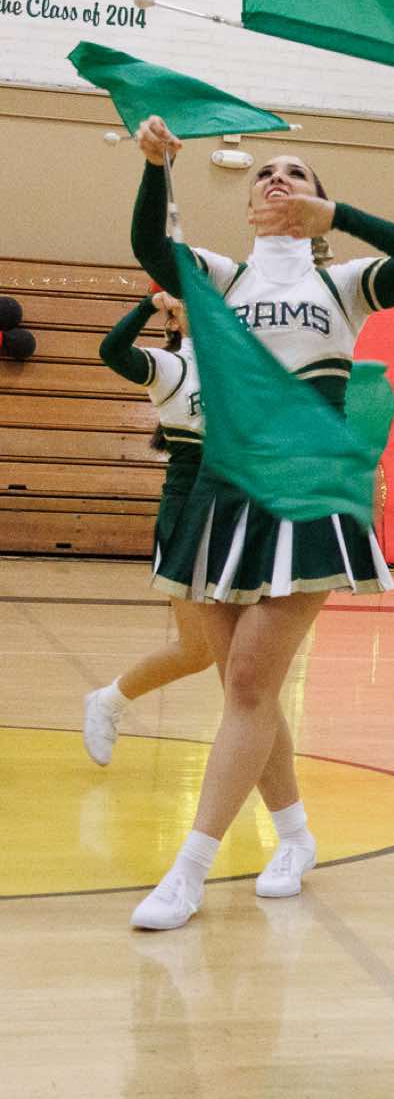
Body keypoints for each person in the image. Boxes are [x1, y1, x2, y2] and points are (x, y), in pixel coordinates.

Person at [125, 116, 394, 930]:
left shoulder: (343, 286)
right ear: (248, 206)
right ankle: (296, 836)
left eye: (296, 172)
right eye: (265, 172)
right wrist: (157, 168)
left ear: (315, 202)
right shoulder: (223, 278)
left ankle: (189, 870)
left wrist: (338, 217)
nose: (277, 178)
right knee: (250, 689)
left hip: (309, 488)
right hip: (226, 490)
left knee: (246, 683)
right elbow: (151, 248)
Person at [83, 288, 214, 764]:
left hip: (241, 510)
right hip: (190, 514)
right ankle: (109, 700)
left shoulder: (243, 365)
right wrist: (147, 305)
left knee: (244, 651)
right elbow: (111, 351)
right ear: (174, 320)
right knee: (199, 650)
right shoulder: (171, 367)